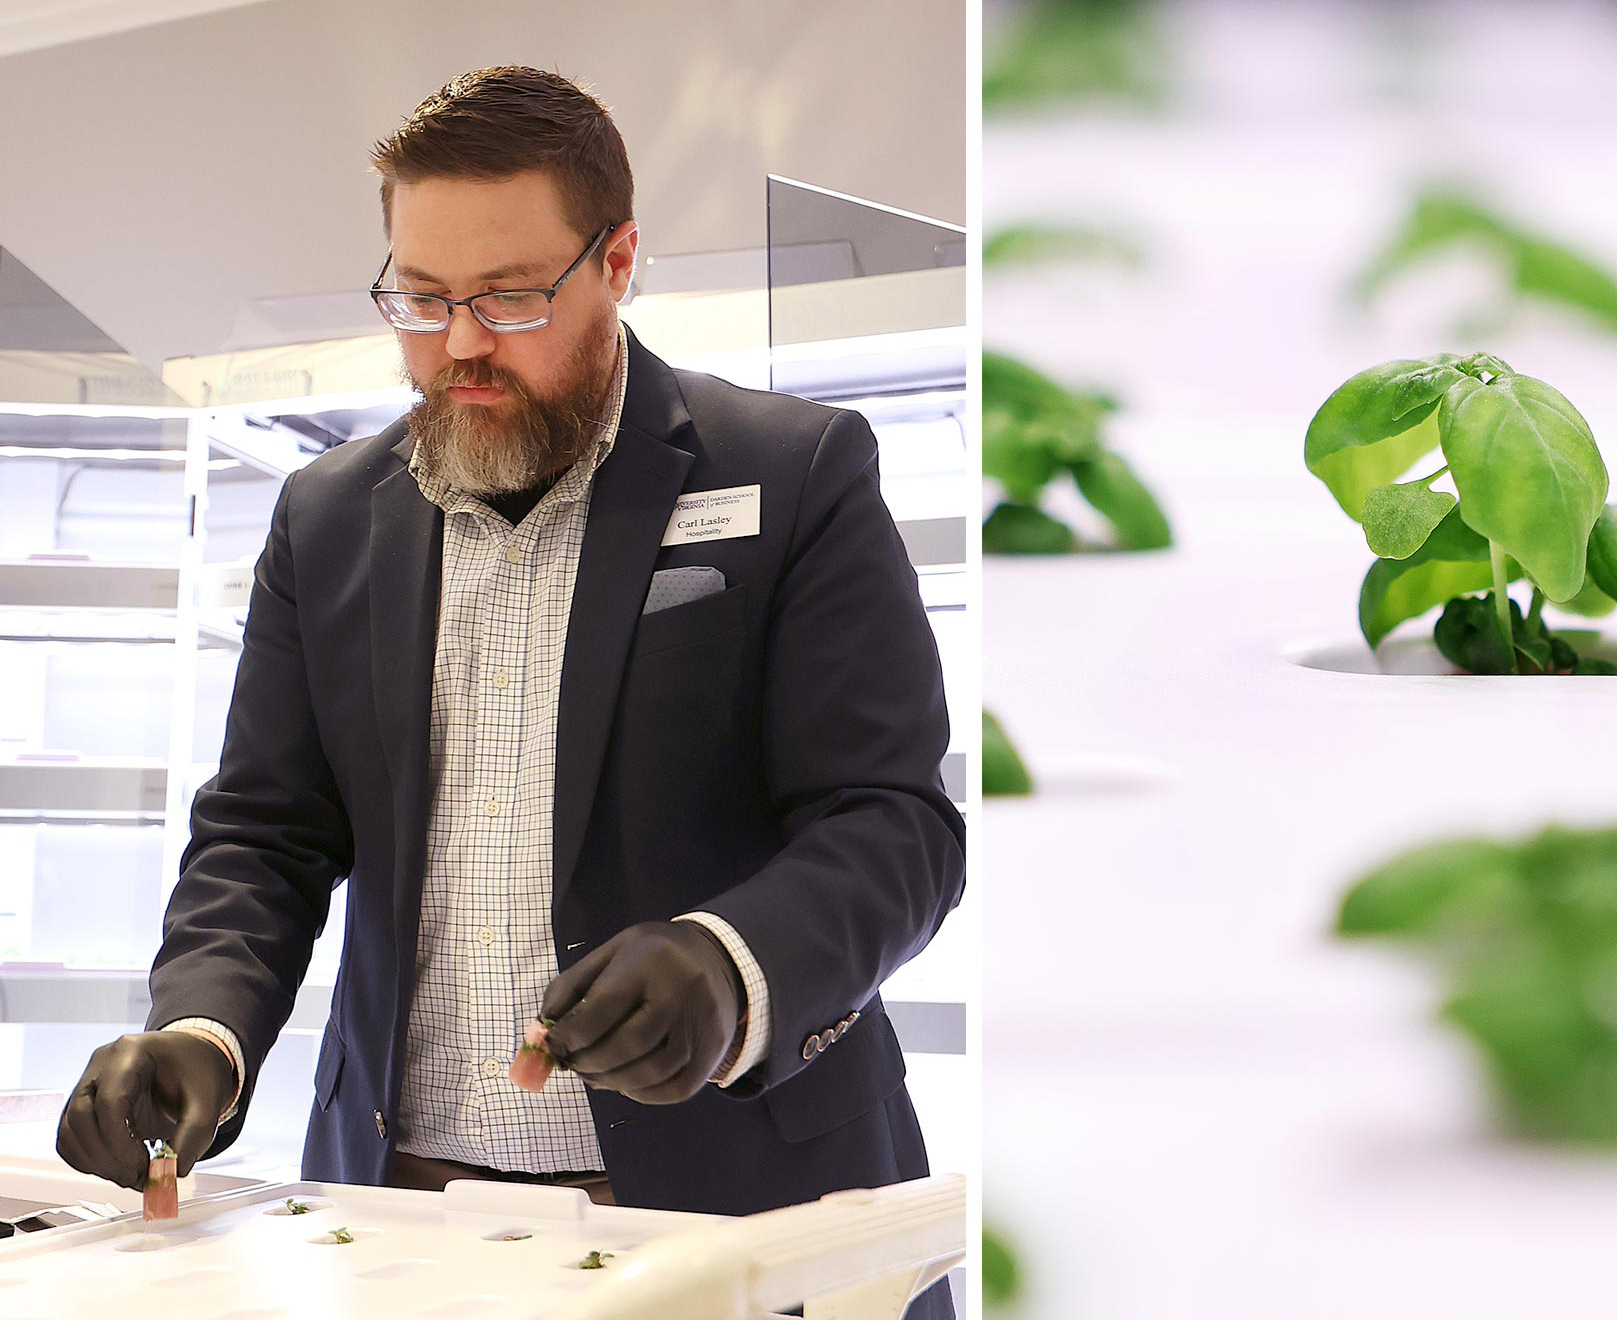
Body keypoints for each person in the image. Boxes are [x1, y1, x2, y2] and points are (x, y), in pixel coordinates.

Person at [54, 66, 962, 1319]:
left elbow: (893, 824)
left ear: (620, 259)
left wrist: (728, 961)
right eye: (421, 298)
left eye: (511, 296)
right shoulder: (323, 520)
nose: (461, 343)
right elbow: (264, 833)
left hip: (741, 1217)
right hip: (397, 1219)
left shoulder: (794, 473)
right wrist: (199, 1034)